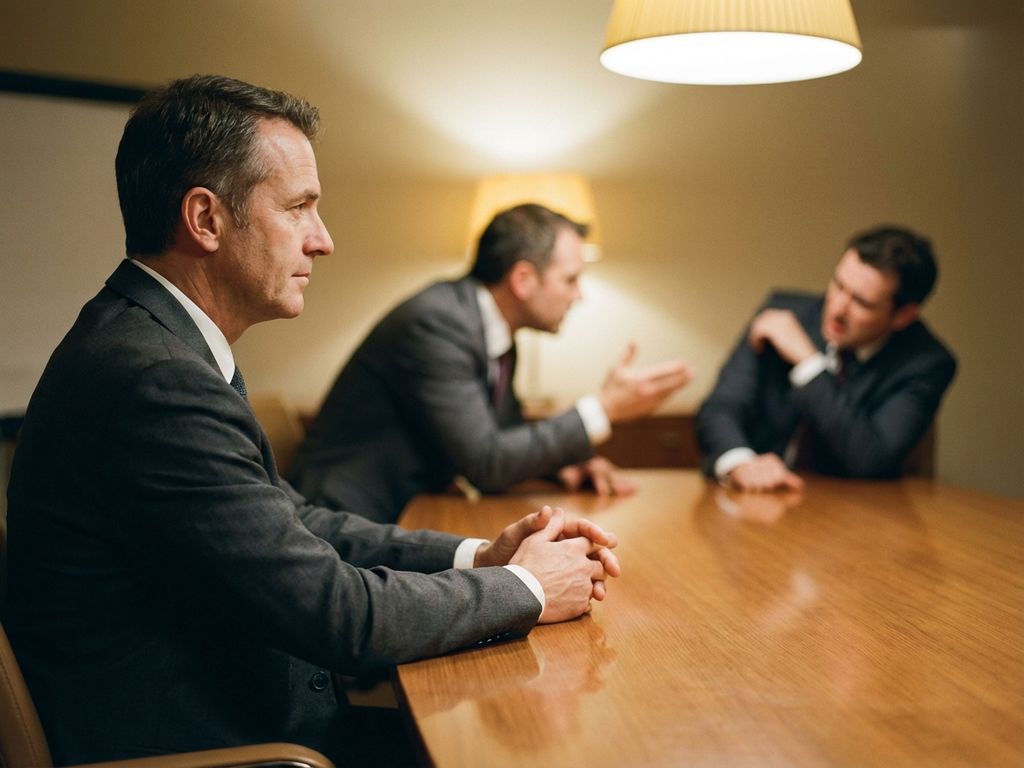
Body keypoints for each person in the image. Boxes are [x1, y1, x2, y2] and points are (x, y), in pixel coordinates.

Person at [4, 74, 620, 766]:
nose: (322, 241)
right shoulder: (154, 377)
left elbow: (299, 523)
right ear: (206, 220)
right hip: (226, 745)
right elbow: (340, 617)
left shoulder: (156, 342)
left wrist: (480, 555)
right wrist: (528, 589)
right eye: (299, 208)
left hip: (249, 711)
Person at [288, 202, 695, 523]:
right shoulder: (438, 322)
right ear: (522, 280)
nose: (579, 296)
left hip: (406, 509)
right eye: (570, 280)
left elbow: (506, 432)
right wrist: (603, 408)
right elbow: (486, 461)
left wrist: (569, 466)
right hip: (343, 518)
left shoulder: (492, 329)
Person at [695, 225, 957, 492]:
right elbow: (720, 408)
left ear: (904, 316)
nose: (838, 308)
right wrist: (741, 463)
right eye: (838, 285)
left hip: (849, 512)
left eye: (862, 303)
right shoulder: (782, 313)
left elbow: (871, 460)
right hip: (751, 501)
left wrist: (808, 363)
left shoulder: (927, 363)